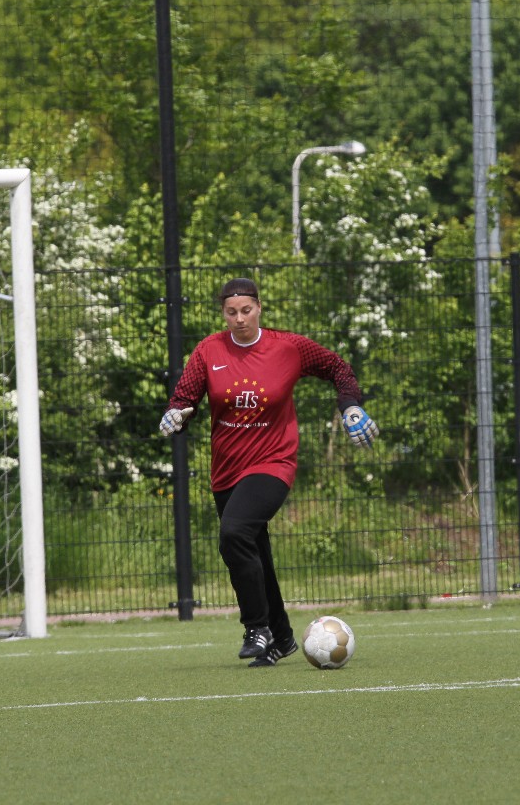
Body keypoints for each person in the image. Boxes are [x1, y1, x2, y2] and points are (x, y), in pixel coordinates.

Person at [159, 277, 379, 667]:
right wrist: (176, 415)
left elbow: (337, 367)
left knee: (234, 533)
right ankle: (282, 637)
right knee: (254, 550)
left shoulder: (288, 347)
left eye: (246, 310)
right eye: (231, 312)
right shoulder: (209, 350)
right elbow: (184, 398)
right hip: (226, 470)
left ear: (259, 308)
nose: (239, 318)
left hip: (273, 463)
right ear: (223, 313)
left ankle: (256, 627)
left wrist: (350, 405)